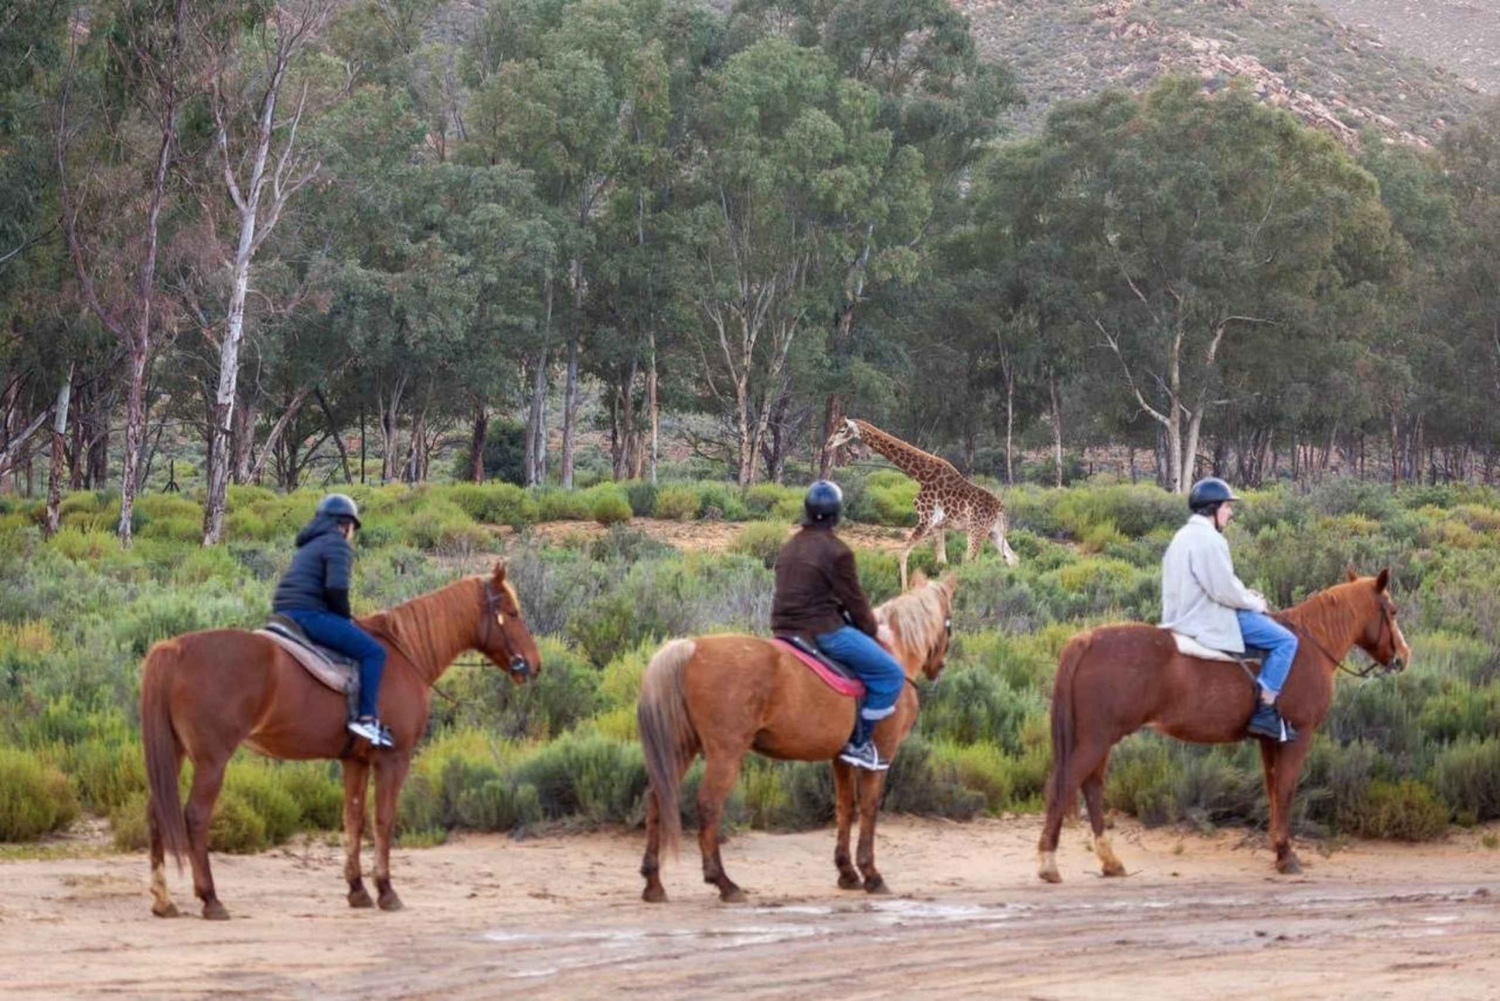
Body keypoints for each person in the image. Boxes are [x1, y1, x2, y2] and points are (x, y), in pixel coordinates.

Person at [770, 480, 906, 771]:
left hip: (783, 631)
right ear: (837, 513)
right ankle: (859, 743)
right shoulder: (838, 552)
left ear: (807, 509)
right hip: (823, 633)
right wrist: (875, 630)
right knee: (890, 673)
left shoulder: (789, 546)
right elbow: (855, 602)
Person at [1160, 477, 1299, 742]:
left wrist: (1245, 595)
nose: (1230, 513)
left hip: (1181, 615)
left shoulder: (1182, 536)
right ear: (1213, 509)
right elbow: (1223, 591)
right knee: (1285, 641)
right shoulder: (1209, 540)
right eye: (1226, 506)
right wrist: (1256, 603)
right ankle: (1265, 710)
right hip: (1208, 616)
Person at [272, 493, 392, 748]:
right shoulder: (336, 544)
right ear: (345, 524)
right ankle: (367, 718)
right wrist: (345, 618)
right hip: (308, 614)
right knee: (373, 652)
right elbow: (336, 589)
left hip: (285, 613)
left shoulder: (310, 544)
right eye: (352, 528)